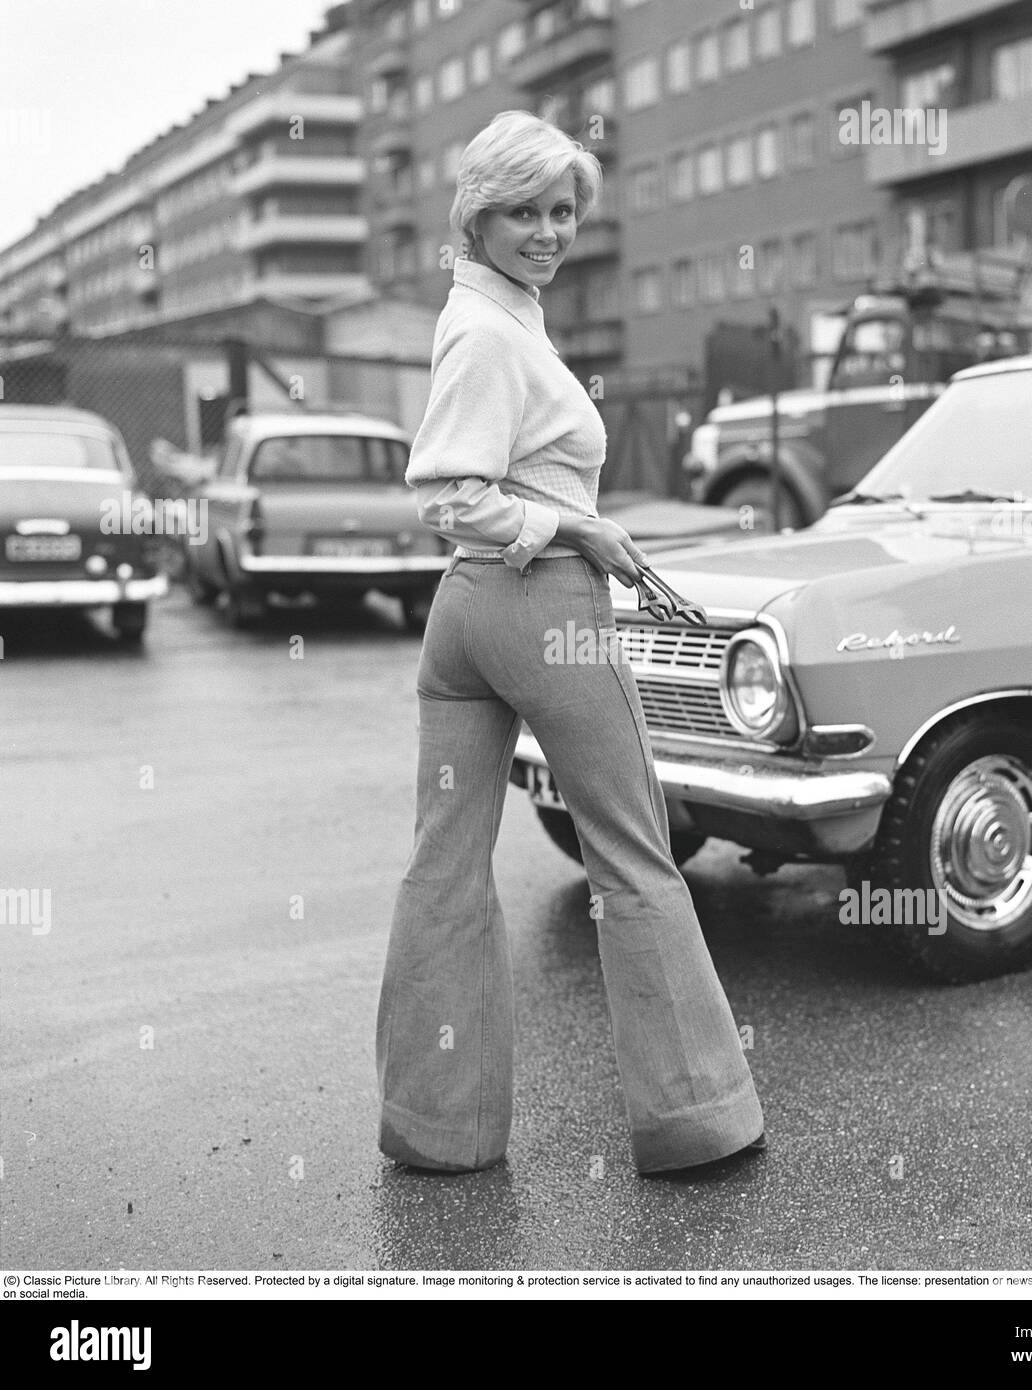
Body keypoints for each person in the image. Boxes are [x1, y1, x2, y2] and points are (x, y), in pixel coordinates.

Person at [375, 110, 764, 1176]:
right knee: (635, 850)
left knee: (441, 867)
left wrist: (559, 517)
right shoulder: (489, 332)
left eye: (561, 210)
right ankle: (695, 1120)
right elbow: (449, 492)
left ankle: (434, 1125)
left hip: (464, 622)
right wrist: (578, 525)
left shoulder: (502, 315)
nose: (548, 229)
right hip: (539, 603)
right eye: (523, 211)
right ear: (477, 215)